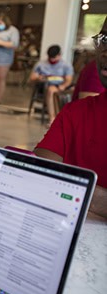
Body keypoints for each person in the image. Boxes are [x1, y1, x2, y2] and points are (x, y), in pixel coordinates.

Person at [34, 17, 107, 219]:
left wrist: (75, 189)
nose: (105, 50)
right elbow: (39, 174)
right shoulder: (75, 113)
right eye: (105, 39)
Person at [29, 45, 73, 125]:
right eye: (51, 58)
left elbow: (69, 80)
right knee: (51, 90)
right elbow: (32, 77)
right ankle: (53, 118)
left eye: (54, 58)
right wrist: (38, 77)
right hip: (45, 86)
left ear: (59, 55)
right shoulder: (41, 64)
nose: (52, 60)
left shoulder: (66, 65)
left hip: (61, 86)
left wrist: (63, 86)